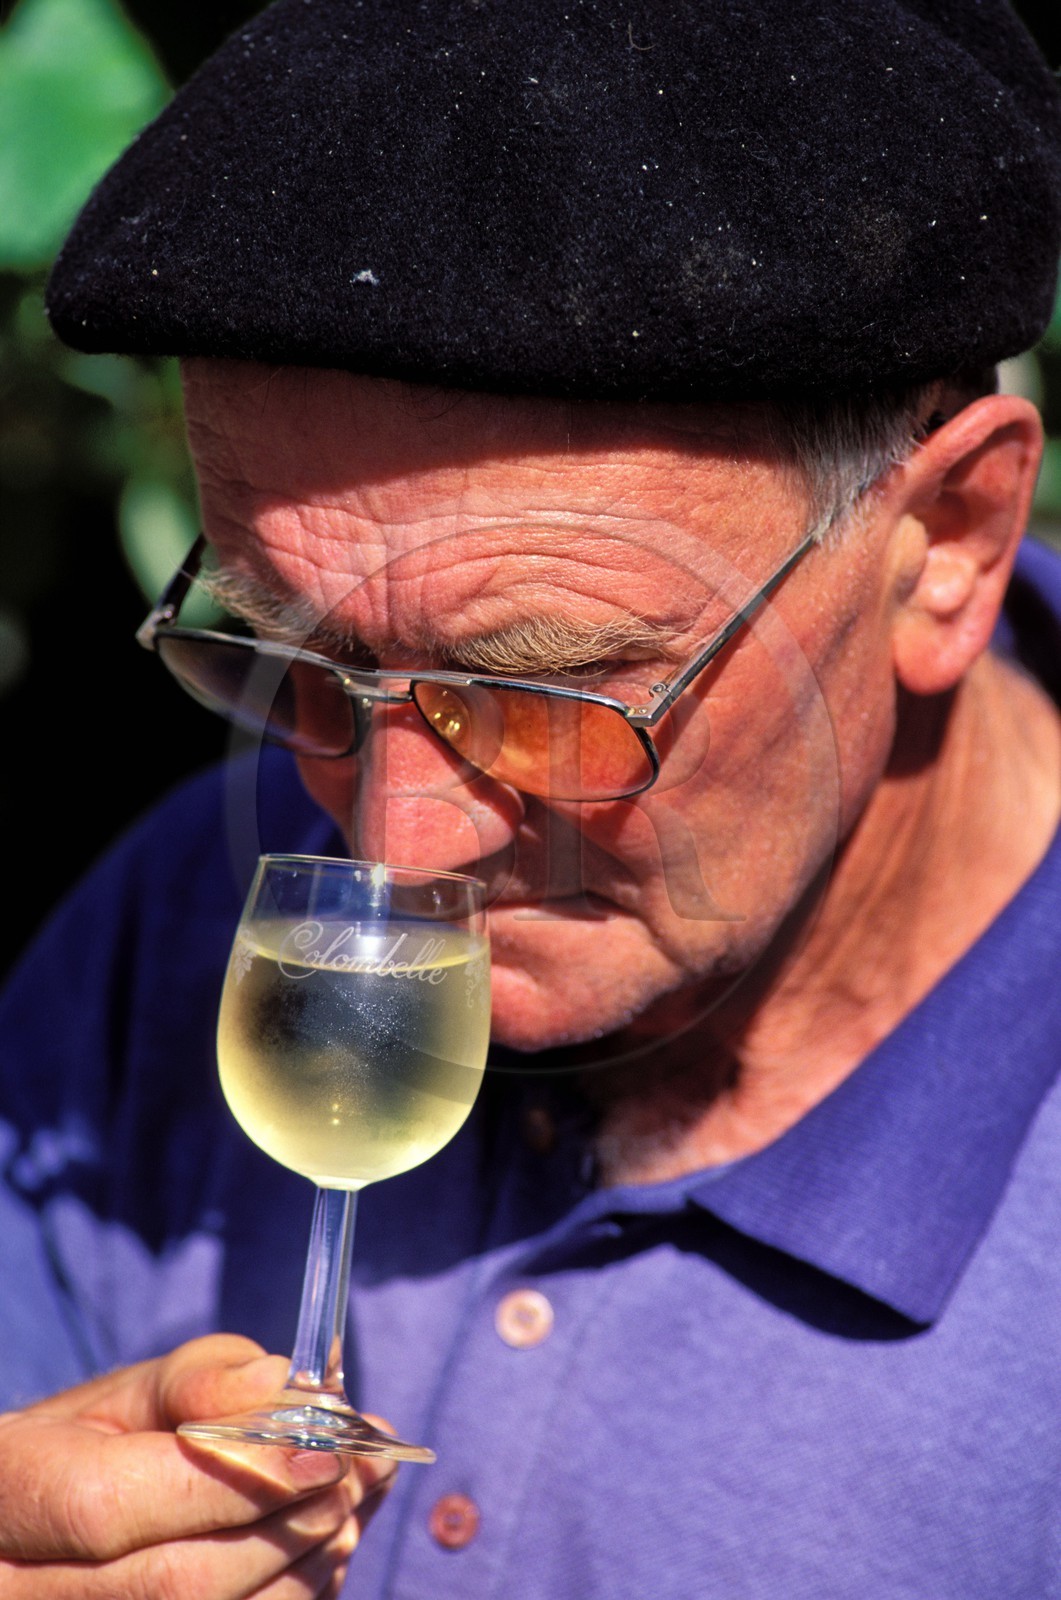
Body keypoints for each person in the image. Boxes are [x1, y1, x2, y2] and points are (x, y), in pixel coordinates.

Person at [3, 0, 1061, 1594]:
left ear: (948, 542)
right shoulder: (167, 939)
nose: (389, 844)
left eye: (545, 697)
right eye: (301, 659)